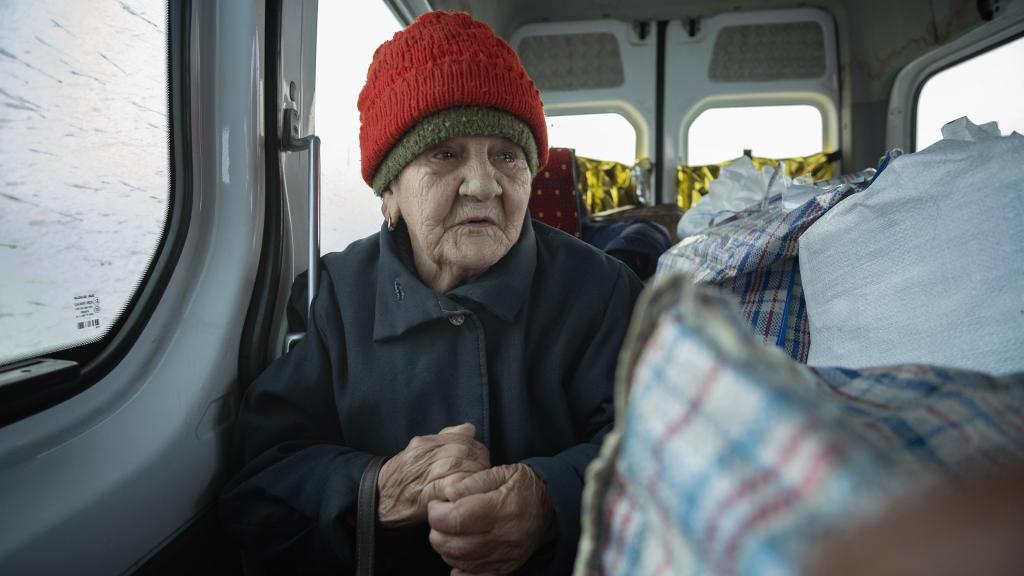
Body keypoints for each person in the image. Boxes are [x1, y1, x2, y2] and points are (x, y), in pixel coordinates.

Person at [220, 11, 642, 575]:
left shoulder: (602, 291)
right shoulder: (334, 299)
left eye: (507, 155)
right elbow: (262, 479)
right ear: (389, 192)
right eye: (445, 153)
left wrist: (550, 500)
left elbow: (670, 449)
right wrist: (374, 489)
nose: (485, 183)